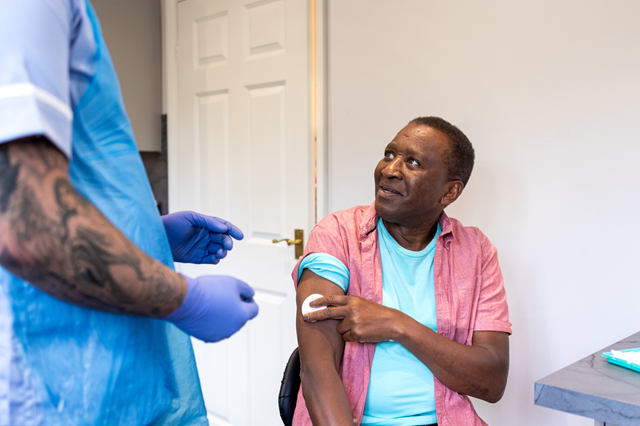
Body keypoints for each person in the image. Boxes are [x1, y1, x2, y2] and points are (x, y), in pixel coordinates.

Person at [0, 0, 258, 425]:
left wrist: (150, 238)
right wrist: (187, 300)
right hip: (66, 389)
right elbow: (28, 224)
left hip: (116, 383)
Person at [293, 117, 511, 426]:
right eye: (389, 154)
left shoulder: (476, 251)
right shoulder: (337, 234)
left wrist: (397, 325)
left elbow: (491, 381)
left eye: (412, 162)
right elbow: (317, 368)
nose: (390, 170)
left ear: (449, 192)